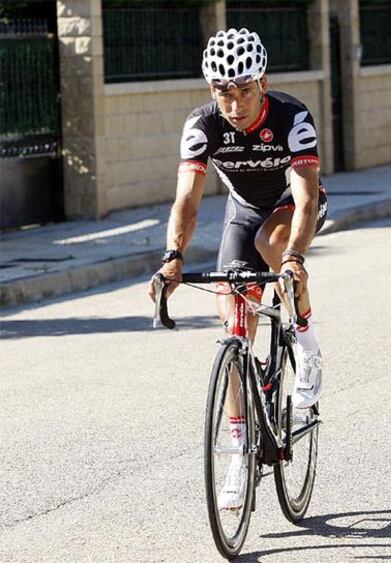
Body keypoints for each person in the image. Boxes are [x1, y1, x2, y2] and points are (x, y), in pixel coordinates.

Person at [149, 28, 328, 509]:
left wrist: (294, 256)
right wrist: (173, 257)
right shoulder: (203, 125)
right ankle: (237, 453)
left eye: (245, 90)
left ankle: (307, 346)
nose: (234, 104)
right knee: (235, 323)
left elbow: (309, 195)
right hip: (244, 209)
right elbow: (186, 201)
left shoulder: (292, 118)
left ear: (263, 83)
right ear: (212, 90)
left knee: (274, 245)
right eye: (224, 92)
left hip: (294, 207)